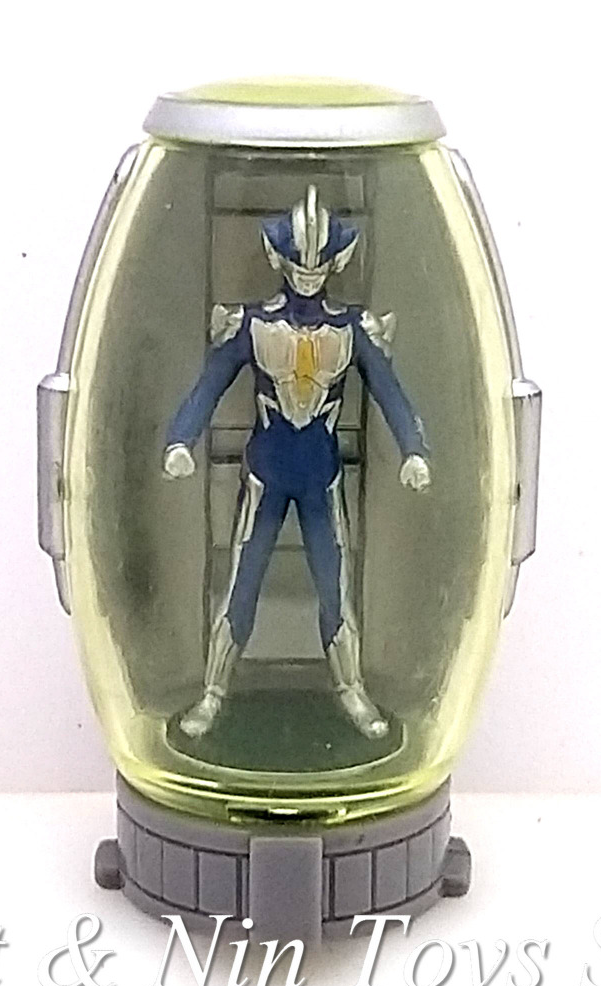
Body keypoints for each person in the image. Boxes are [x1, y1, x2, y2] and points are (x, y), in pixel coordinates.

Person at [164, 184, 430, 740]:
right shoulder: (252, 324)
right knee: (243, 580)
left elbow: (390, 392)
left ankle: (351, 688)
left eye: (318, 265)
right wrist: (180, 439)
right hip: (266, 475)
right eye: (300, 263)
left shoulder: (351, 328)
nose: (309, 275)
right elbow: (209, 385)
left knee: (335, 586)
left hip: (321, 478)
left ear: (335, 262)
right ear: (279, 258)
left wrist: (413, 449)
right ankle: (213, 692)